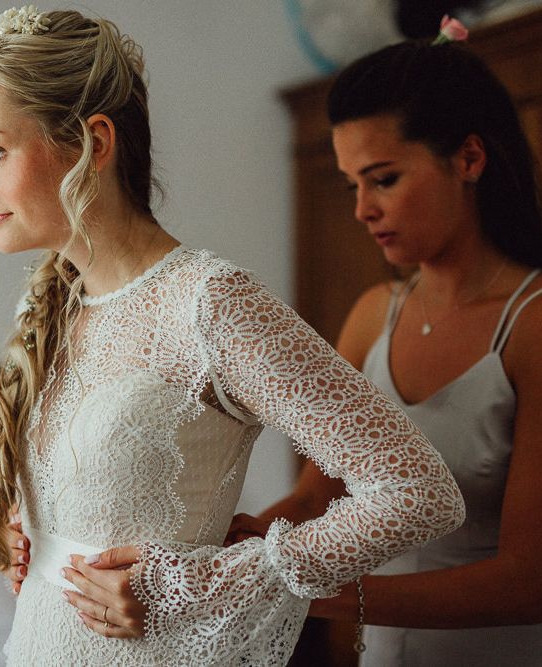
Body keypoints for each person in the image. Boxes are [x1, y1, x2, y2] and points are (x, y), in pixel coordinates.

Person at [0, 6, 465, 666]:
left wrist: (213, 582)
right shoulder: (52, 304)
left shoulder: (209, 303)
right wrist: (31, 536)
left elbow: (417, 491)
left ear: (93, 142)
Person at [227, 16, 542, 667]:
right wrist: (240, 538)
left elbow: (527, 577)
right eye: (351, 185)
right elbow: (320, 496)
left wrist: (316, 593)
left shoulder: (531, 326)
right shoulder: (373, 315)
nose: (360, 209)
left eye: (383, 179)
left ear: (469, 158)